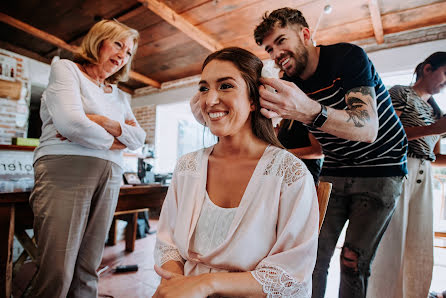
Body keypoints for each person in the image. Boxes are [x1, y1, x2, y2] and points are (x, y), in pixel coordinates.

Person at [253, 7, 408, 298]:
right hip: (335, 171)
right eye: (270, 49)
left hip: (381, 169)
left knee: (352, 262)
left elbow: (367, 128)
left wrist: (308, 110)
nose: (276, 54)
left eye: (281, 41)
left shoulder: (347, 57)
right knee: (312, 258)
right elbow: (320, 144)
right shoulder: (294, 86)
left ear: (306, 34)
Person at [154, 47, 319, 298]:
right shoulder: (187, 167)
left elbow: (290, 273)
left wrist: (206, 284)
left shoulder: (289, 174)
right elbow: (168, 244)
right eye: (203, 88)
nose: (210, 100)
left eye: (226, 86)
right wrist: (178, 284)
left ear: (254, 100)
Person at [29, 20, 146, 297]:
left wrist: (103, 121)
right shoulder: (66, 69)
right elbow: (71, 123)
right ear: (99, 41)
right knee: (58, 269)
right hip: (65, 168)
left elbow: (139, 138)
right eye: (118, 44)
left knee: (88, 266)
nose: (123, 55)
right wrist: (116, 141)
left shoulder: (118, 95)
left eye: (128, 52)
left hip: (110, 175)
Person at [368, 52, 446, 298]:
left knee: (418, 242)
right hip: (398, 171)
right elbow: (386, 133)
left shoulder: (436, 112)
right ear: (427, 69)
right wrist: (434, 129)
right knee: (392, 241)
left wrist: (436, 128)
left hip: (423, 178)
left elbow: (432, 156)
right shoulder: (400, 93)